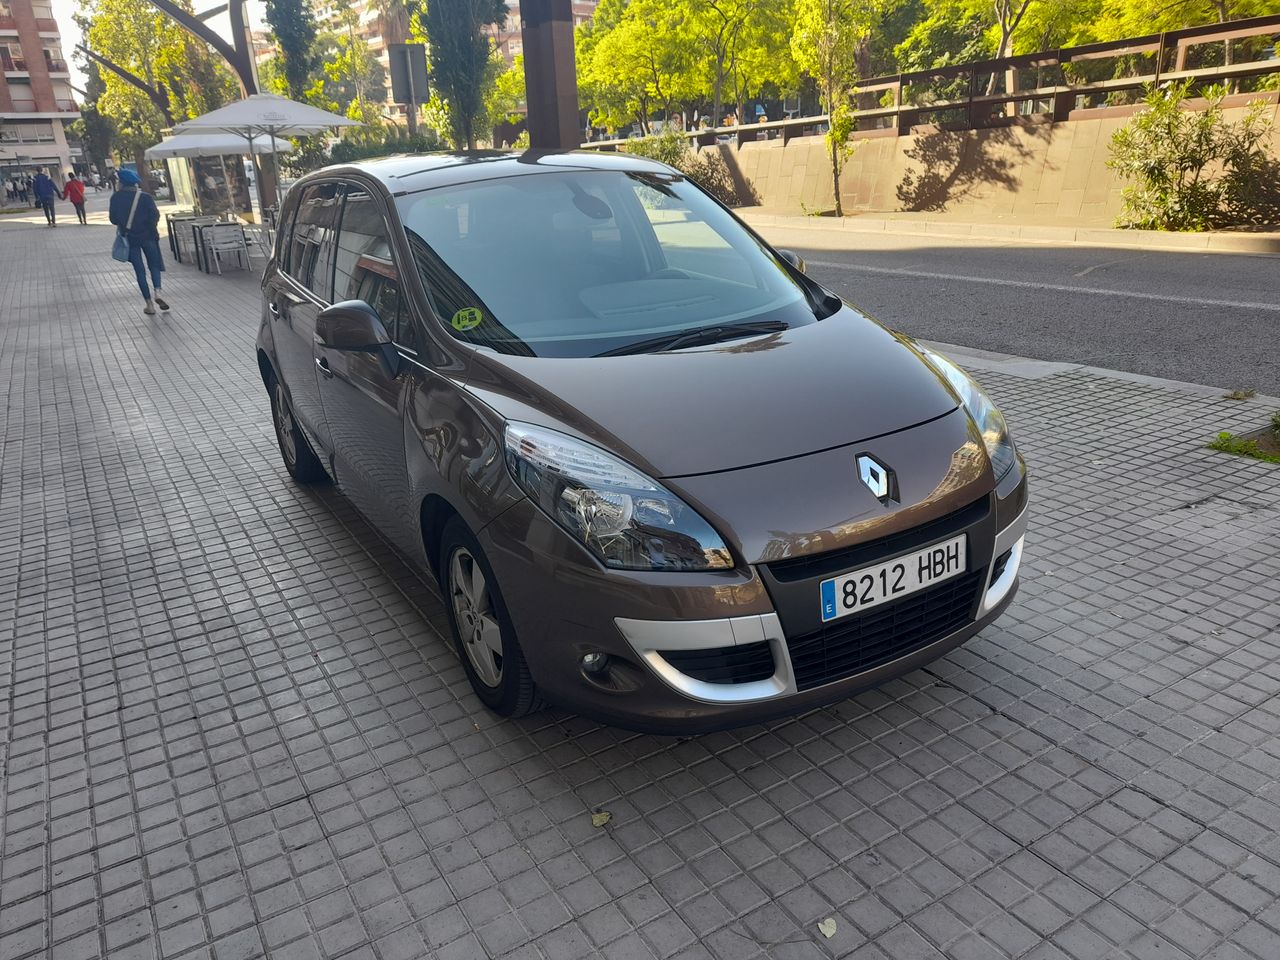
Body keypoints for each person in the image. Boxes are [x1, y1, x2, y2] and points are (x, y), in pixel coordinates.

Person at [109, 168, 169, 315]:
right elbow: (155, 215)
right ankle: (158, 292)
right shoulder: (145, 197)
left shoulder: (116, 198)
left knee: (139, 270)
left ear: (122, 183)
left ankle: (149, 304)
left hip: (130, 238)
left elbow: (113, 219)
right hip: (148, 236)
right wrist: (149, 227)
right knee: (154, 265)